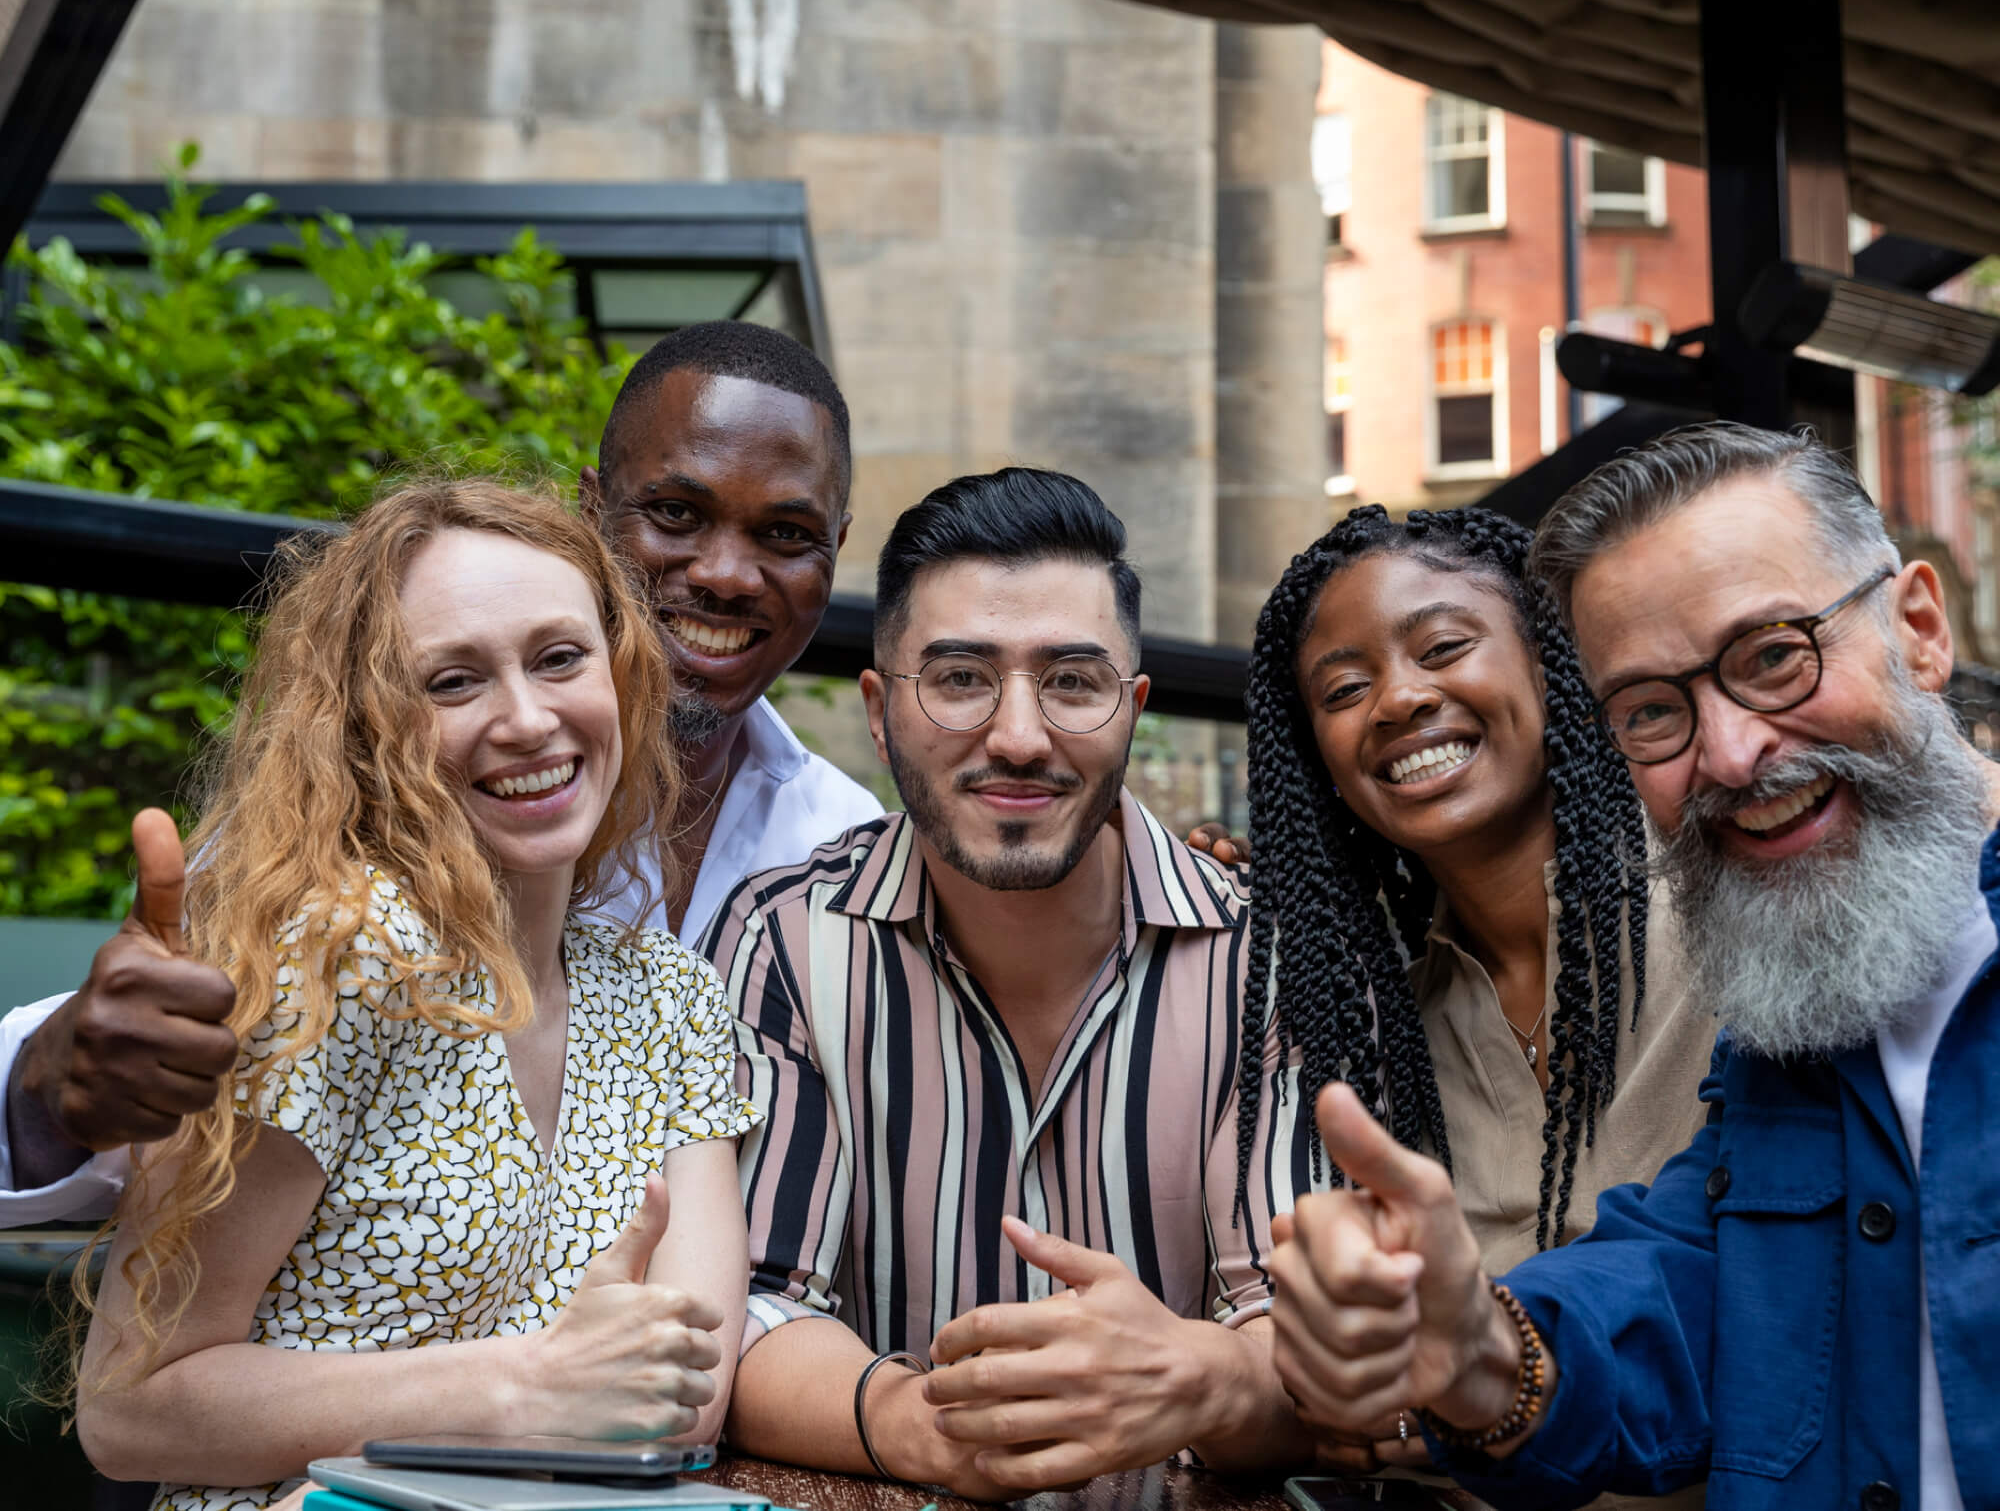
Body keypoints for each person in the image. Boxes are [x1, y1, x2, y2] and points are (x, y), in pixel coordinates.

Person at [1265, 422, 2000, 1510]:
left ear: (1918, 628)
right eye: (1652, 711)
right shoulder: (1808, 978)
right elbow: (1701, 1287)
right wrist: (1478, 1347)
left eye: (1770, 656)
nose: (1731, 754)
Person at [1, 320, 880, 1224]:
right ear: (592, 511)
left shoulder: (848, 854)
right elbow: (175, 1067)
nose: (728, 574)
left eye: (785, 533)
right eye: (675, 514)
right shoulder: (377, 791)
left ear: (835, 553)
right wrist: (44, 1089)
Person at [75, 479, 760, 1511]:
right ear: (361, 727)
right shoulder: (334, 957)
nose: (527, 719)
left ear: (621, 673)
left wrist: (587, 1384)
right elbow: (129, 1406)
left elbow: (679, 1390)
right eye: (451, 680)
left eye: (559, 657)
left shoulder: (668, 998)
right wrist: (525, 1382)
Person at [706, 468, 1314, 1499]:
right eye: (959, 676)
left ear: (1132, 707)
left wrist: (1198, 1378)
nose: (1019, 733)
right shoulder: (783, 939)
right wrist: (915, 1421)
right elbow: (751, 1302)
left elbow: (1308, 1351)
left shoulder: (1270, 960)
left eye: (1071, 680)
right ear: (880, 710)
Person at [1235, 504, 1714, 1494]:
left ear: (1549, 660)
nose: (1398, 699)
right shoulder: (1379, 1035)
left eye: (1442, 645)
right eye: (1343, 687)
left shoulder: (1730, 906)